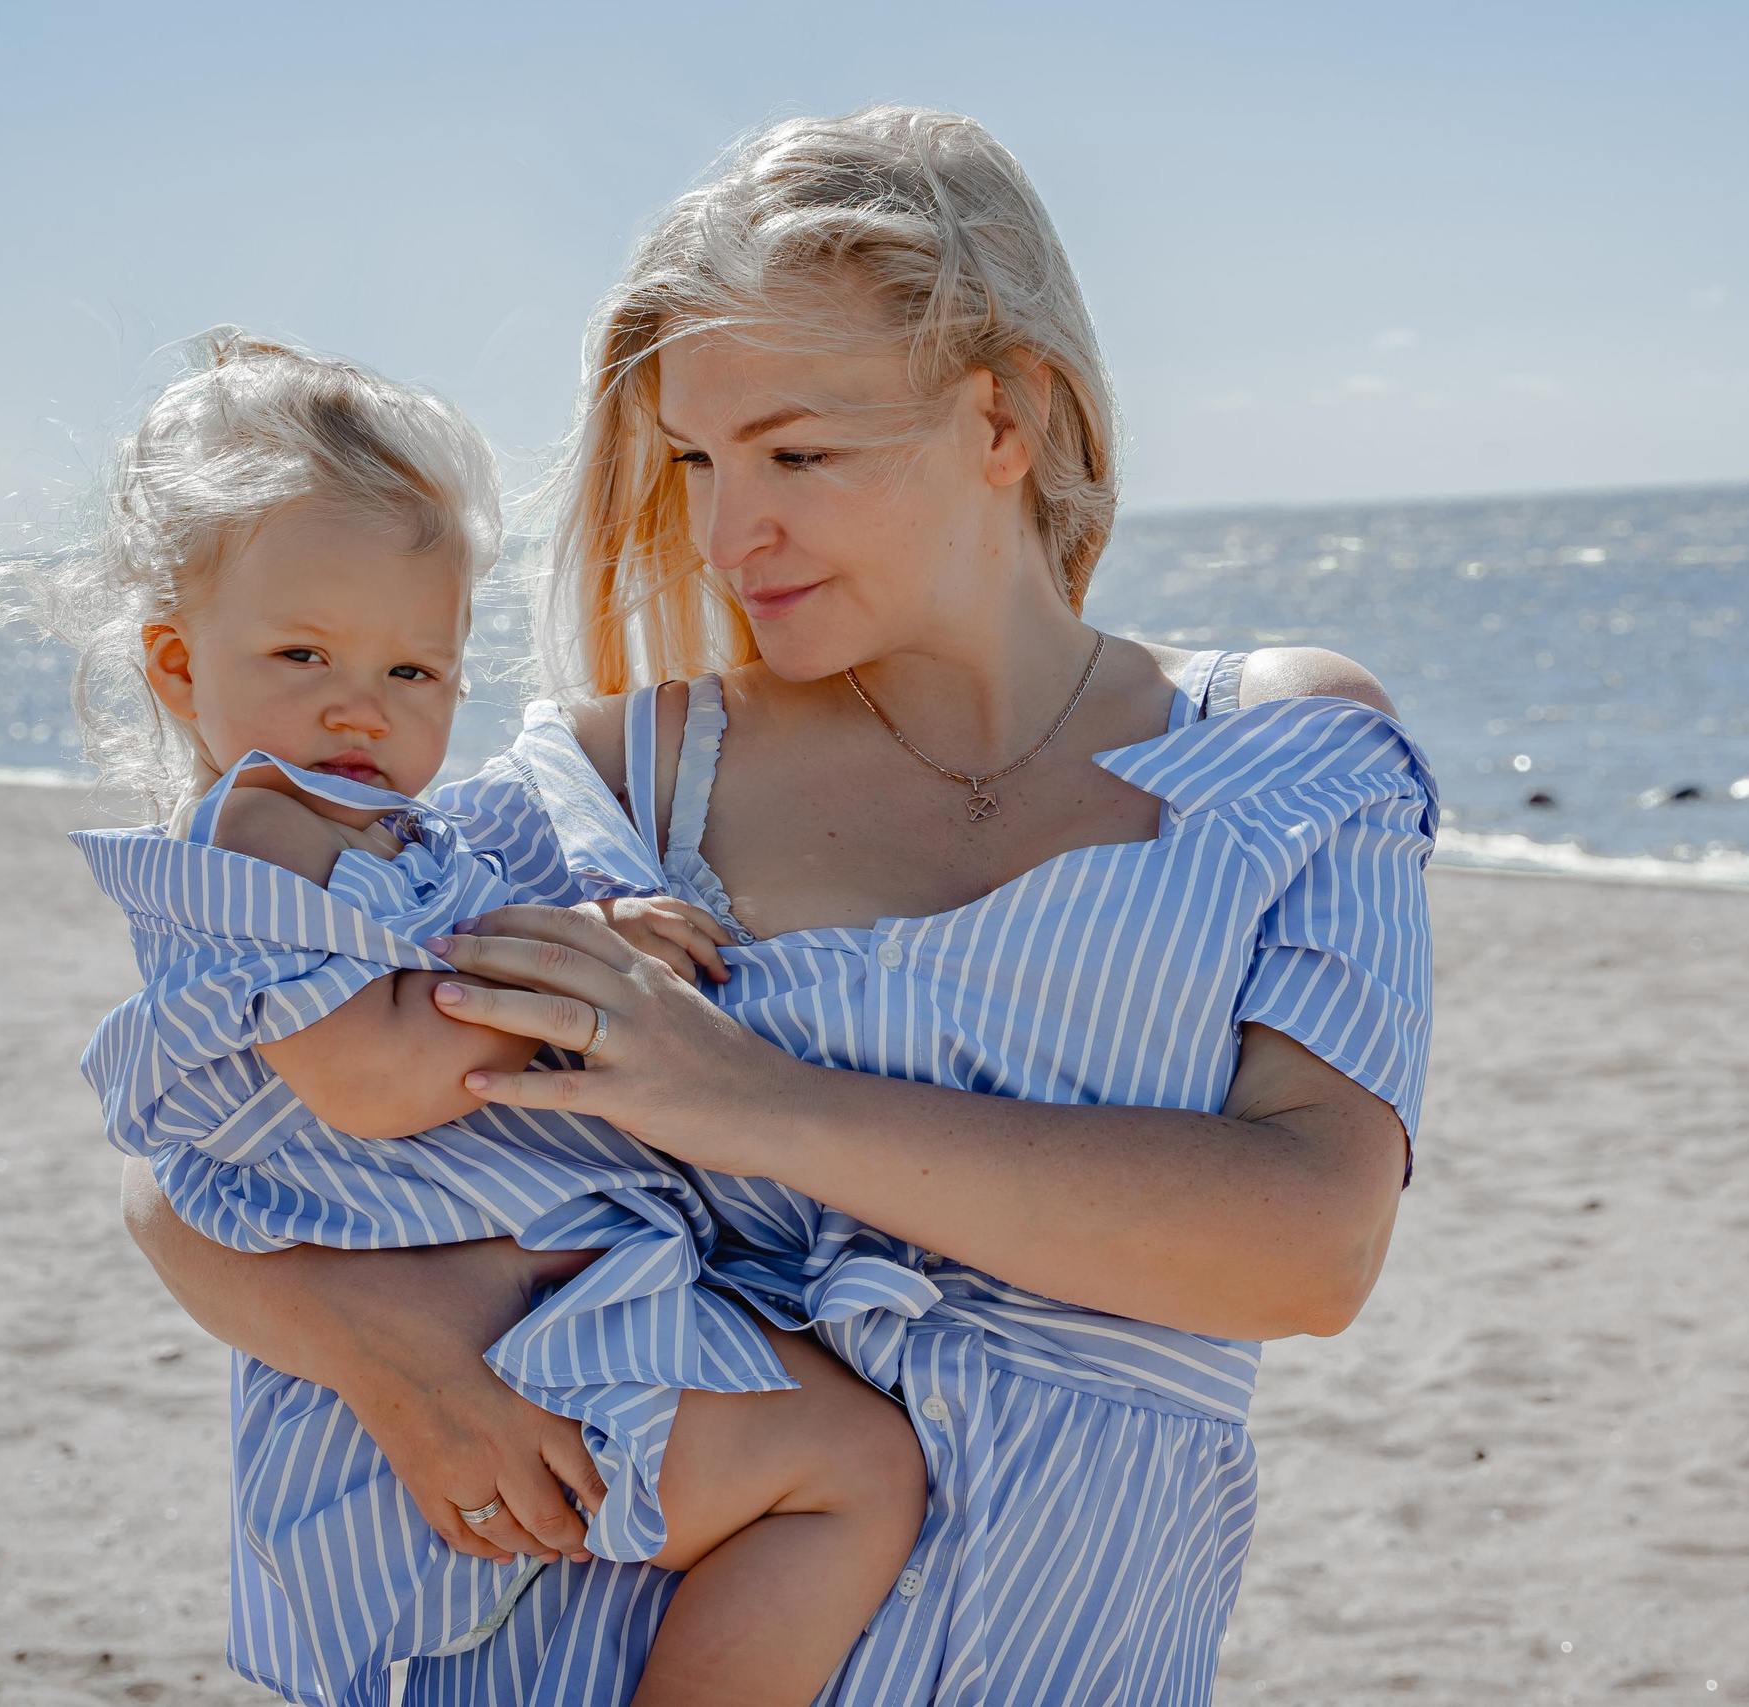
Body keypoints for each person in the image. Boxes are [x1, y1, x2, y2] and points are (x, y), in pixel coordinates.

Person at [125, 107, 1437, 1705]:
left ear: (1006, 413)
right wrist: (384, 1357)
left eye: (798, 452)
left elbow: (1310, 1250)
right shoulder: (617, 788)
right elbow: (209, 1148)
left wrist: (757, 1103)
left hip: (1070, 1633)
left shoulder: (1280, 751)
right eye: (695, 459)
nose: (730, 532)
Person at [39, 333, 924, 1707]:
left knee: (836, 1469)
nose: (359, 703)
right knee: (853, 1477)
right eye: (302, 652)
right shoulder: (260, 830)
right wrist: (585, 974)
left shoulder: (393, 835)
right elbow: (375, 1075)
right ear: (175, 662)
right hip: (512, 1343)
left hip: (532, 1311)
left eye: (414, 674)